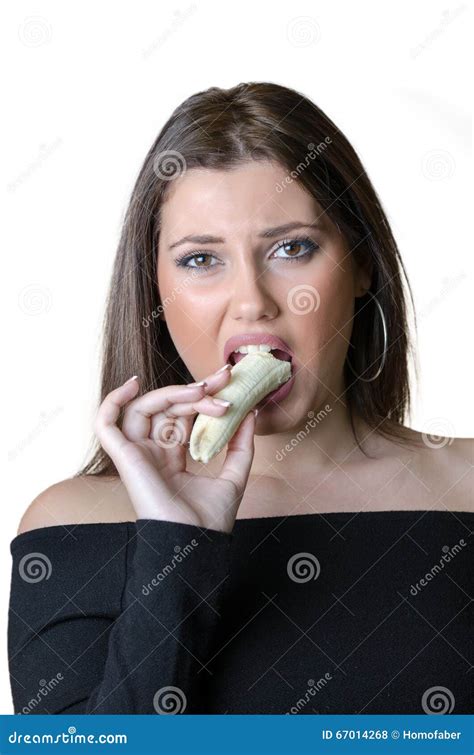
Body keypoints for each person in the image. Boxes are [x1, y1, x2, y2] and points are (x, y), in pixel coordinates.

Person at [8, 82, 472, 716]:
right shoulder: (71, 525)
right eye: (201, 259)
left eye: (292, 248)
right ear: (155, 289)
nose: (253, 300)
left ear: (362, 265)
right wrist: (174, 544)